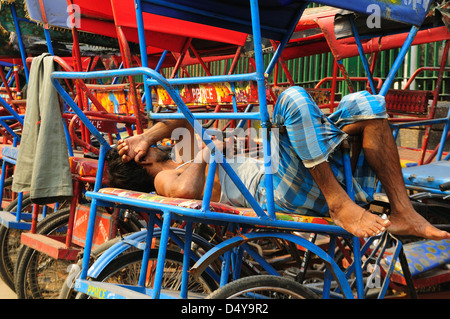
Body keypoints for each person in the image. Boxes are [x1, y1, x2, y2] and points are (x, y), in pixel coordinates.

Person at [111, 86, 450, 240]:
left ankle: (405, 212)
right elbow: (186, 189)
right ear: (141, 161)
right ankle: (338, 203)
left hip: (299, 175)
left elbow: (180, 118)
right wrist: (212, 149)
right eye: (141, 145)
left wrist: (145, 138)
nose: (154, 142)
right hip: (274, 189)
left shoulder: (176, 152)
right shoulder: (164, 177)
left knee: (367, 104)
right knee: (290, 99)